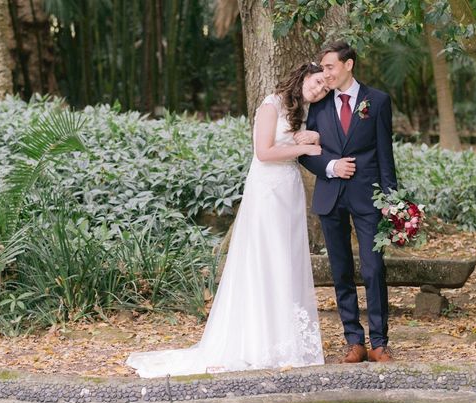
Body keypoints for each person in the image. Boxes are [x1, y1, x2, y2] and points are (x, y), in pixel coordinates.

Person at [126, 63, 330, 377]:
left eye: (325, 89)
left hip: (289, 189)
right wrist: (303, 146)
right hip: (266, 190)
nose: (319, 90)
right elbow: (263, 152)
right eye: (317, 82)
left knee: (286, 260)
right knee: (266, 259)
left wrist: (312, 135)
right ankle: (256, 342)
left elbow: (310, 142)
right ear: (304, 76)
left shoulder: (304, 111)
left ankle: (284, 340)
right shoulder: (271, 105)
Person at [299, 41, 397, 363]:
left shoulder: (377, 101)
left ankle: (379, 342)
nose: (324, 74)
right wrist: (330, 166)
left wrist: (391, 202)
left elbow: (385, 154)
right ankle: (353, 340)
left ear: (348, 65)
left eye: (329, 67)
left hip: (368, 198)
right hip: (331, 196)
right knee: (341, 270)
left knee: (373, 269)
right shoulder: (319, 105)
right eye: (322, 68)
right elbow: (307, 153)